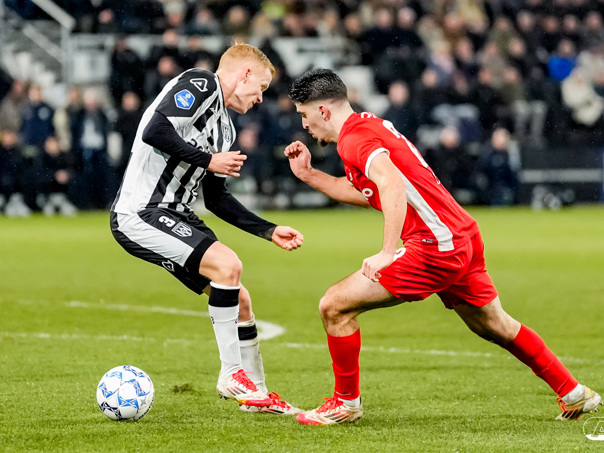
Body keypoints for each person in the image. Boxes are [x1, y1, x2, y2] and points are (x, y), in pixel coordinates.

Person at [284, 68, 601, 425]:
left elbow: (391, 185)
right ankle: (574, 393)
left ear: (323, 110)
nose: (304, 125)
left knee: (334, 306)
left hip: (434, 245)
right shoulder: (369, 126)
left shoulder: (353, 140)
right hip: (460, 234)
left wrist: (387, 252)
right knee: (494, 324)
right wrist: (309, 174)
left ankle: (345, 404)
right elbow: (371, 191)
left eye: (304, 115)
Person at [110, 43, 304, 415]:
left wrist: (268, 230)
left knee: (240, 300)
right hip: (141, 212)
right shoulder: (200, 84)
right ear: (244, 74)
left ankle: (257, 396)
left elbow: (216, 199)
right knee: (228, 265)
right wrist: (208, 160)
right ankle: (231, 374)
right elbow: (154, 130)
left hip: (177, 215)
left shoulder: (225, 130)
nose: (261, 98)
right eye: (261, 87)